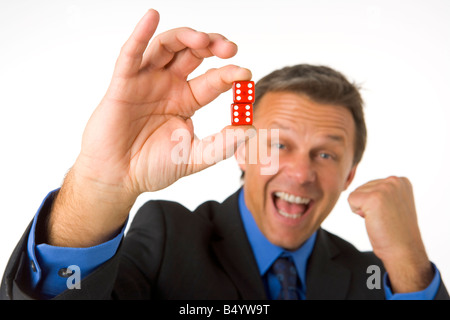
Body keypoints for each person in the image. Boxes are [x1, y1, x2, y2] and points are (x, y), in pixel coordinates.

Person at [1, 9, 448, 300]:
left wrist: (410, 266)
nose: (300, 172)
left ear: (350, 175)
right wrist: (100, 186)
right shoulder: (166, 237)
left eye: (326, 156)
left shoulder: (375, 277)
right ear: (243, 150)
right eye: (277, 144)